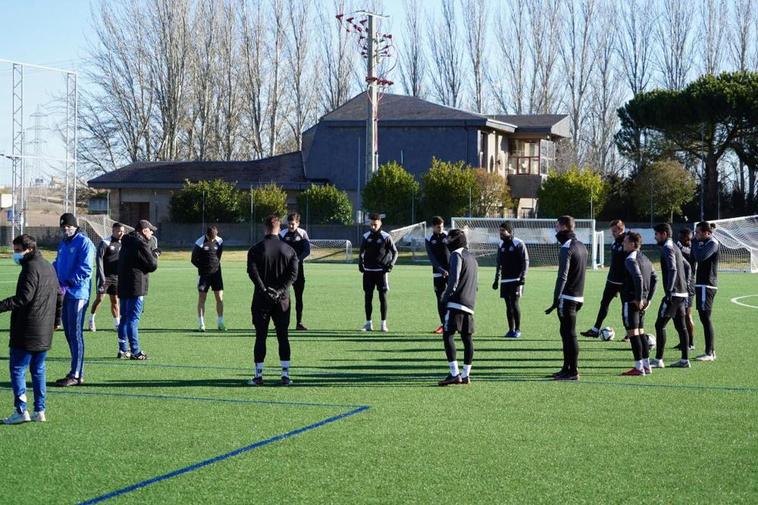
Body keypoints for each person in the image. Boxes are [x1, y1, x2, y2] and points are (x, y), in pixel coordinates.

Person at [1, 235, 61, 424]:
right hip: (45, 328)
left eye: (17, 250)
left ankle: (21, 411)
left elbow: (23, 298)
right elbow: (60, 295)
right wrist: (56, 320)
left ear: (28, 249)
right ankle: (39, 410)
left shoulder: (30, 267)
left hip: (28, 327)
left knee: (18, 368)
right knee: (38, 369)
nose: (15, 254)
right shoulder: (48, 266)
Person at [247, 215, 299, 386]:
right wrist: (279, 291)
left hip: (261, 299)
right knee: (282, 336)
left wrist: (264, 290)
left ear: (265, 228)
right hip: (282, 300)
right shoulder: (289, 250)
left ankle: (258, 376)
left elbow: (252, 273)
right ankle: (285, 375)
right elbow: (293, 275)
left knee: (260, 336)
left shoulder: (255, 249)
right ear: (279, 227)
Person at [53, 213, 95, 387]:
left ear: (75, 226)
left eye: (68, 227)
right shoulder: (63, 243)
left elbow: (85, 269)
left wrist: (68, 283)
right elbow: (57, 263)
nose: (66, 230)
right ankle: (75, 371)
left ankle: (76, 374)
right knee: (69, 333)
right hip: (64, 293)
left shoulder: (84, 243)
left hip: (78, 293)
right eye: (63, 227)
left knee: (76, 333)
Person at [545, 215, 588, 381]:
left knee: (569, 334)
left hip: (567, 296)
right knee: (566, 333)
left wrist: (556, 298)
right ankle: (566, 368)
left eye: (556, 226)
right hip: (578, 296)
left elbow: (562, 276)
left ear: (563, 227)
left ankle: (573, 370)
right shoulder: (582, 246)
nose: (555, 229)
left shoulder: (567, 247)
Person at [437, 229, 479, 386]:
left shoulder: (457, 254)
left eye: (449, 238)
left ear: (456, 239)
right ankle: (466, 374)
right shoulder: (473, 258)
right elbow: (476, 285)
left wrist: (445, 298)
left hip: (456, 302)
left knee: (447, 334)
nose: (447, 241)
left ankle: (454, 374)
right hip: (469, 303)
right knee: (467, 338)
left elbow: (453, 280)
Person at [116, 220, 159, 360]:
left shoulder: (126, 241)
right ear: (144, 230)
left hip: (123, 284)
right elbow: (152, 265)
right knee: (133, 319)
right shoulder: (141, 243)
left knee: (124, 318)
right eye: (150, 230)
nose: (152, 233)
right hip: (136, 285)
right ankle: (135, 351)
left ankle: (123, 349)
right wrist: (155, 255)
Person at [650, 223, 692, 369]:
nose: (655, 237)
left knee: (659, 325)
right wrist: (686, 286)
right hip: (682, 294)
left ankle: (658, 360)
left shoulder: (668, 248)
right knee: (681, 327)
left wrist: (669, 291)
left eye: (656, 234)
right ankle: (684, 360)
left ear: (664, 234)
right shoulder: (675, 247)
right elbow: (687, 267)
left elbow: (673, 269)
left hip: (673, 294)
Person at [619, 232, 658, 376]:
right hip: (642, 302)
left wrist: (638, 298)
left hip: (632, 301)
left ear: (633, 244)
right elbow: (655, 278)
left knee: (633, 334)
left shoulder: (630, 258)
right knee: (640, 332)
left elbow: (638, 277)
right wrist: (648, 299)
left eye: (626, 241)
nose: (623, 243)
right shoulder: (646, 258)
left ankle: (638, 367)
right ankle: (646, 366)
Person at [582, 219, 627, 338]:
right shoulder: (615, 241)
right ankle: (595, 329)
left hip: (625, 282)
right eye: (612, 231)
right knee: (604, 304)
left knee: (626, 308)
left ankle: (629, 333)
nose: (613, 233)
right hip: (611, 280)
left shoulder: (628, 241)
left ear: (621, 229)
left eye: (614, 231)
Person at [358, 213, 398, 332]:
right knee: (368, 297)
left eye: (375, 224)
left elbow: (395, 252)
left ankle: (383, 324)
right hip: (368, 272)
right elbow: (361, 252)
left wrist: (391, 264)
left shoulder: (386, 236)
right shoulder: (366, 236)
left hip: (381, 272)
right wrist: (360, 263)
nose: (373, 226)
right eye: (371, 224)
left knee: (383, 298)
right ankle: (368, 323)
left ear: (380, 223)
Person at [492, 221, 529, 338]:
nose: (501, 233)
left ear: (510, 231)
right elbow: (499, 263)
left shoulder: (518, 243)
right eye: (500, 231)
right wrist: (496, 279)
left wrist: (523, 277)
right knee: (508, 306)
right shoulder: (500, 245)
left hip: (516, 279)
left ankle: (518, 329)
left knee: (515, 303)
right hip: (505, 280)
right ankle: (510, 329)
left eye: (503, 231)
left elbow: (525, 261)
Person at [89, 222, 125, 333]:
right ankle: (91, 319)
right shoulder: (105, 242)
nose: (121, 233)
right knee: (99, 299)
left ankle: (117, 324)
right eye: (119, 231)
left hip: (117, 277)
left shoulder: (123, 243)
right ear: (113, 231)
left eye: (123, 231)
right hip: (105, 277)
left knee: (115, 300)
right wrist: (102, 276)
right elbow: (99, 260)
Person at [279, 213, 311, 330]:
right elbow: (279, 250)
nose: (291, 226)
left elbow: (307, 251)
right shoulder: (282, 234)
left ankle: (299, 322)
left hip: (298, 270)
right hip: (284, 270)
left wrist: (297, 260)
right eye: (289, 224)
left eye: (293, 224)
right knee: (282, 297)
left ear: (298, 223)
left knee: (299, 297)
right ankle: (281, 322)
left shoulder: (302, 234)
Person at [693, 221, 720, 361]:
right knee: (704, 318)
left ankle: (710, 353)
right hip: (701, 284)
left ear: (706, 233)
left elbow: (700, 257)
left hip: (707, 285)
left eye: (698, 232)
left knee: (705, 318)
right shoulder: (703, 243)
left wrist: (695, 244)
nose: (695, 235)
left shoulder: (712, 243)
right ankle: (710, 351)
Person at [192, 225, 226, 332]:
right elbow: (193, 259)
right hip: (204, 275)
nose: (212, 239)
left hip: (216, 274)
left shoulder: (220, 241)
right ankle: (201, 324)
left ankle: (220, 323)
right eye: (211, 238)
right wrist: (203, 268)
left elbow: (218, 256)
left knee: (219, 298)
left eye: (214, 237)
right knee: (202, 299)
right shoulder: (199, 242)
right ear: (207, 235)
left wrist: (214, 266)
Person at [424, 216, 449, 334]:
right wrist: (440, 270)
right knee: (440, 299)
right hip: (438, 273)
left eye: (442, 226)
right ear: (433, 227)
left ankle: (457, 323)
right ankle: (444, 324)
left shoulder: (448, 235)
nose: (441, 229)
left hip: (451, 272)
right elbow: (431, 257)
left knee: (455, 297)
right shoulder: (429, 238)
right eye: (439, 227)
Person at [676, 228, 696, 350]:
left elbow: (688, 254)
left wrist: (679, 247)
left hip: (689, 285)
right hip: (680, 285)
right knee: (679, 315)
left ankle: (691, 343)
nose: (680, 240)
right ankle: (683, 341)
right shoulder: (682, 247)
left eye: (682, 238)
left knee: (687, 315)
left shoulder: (693, 249)